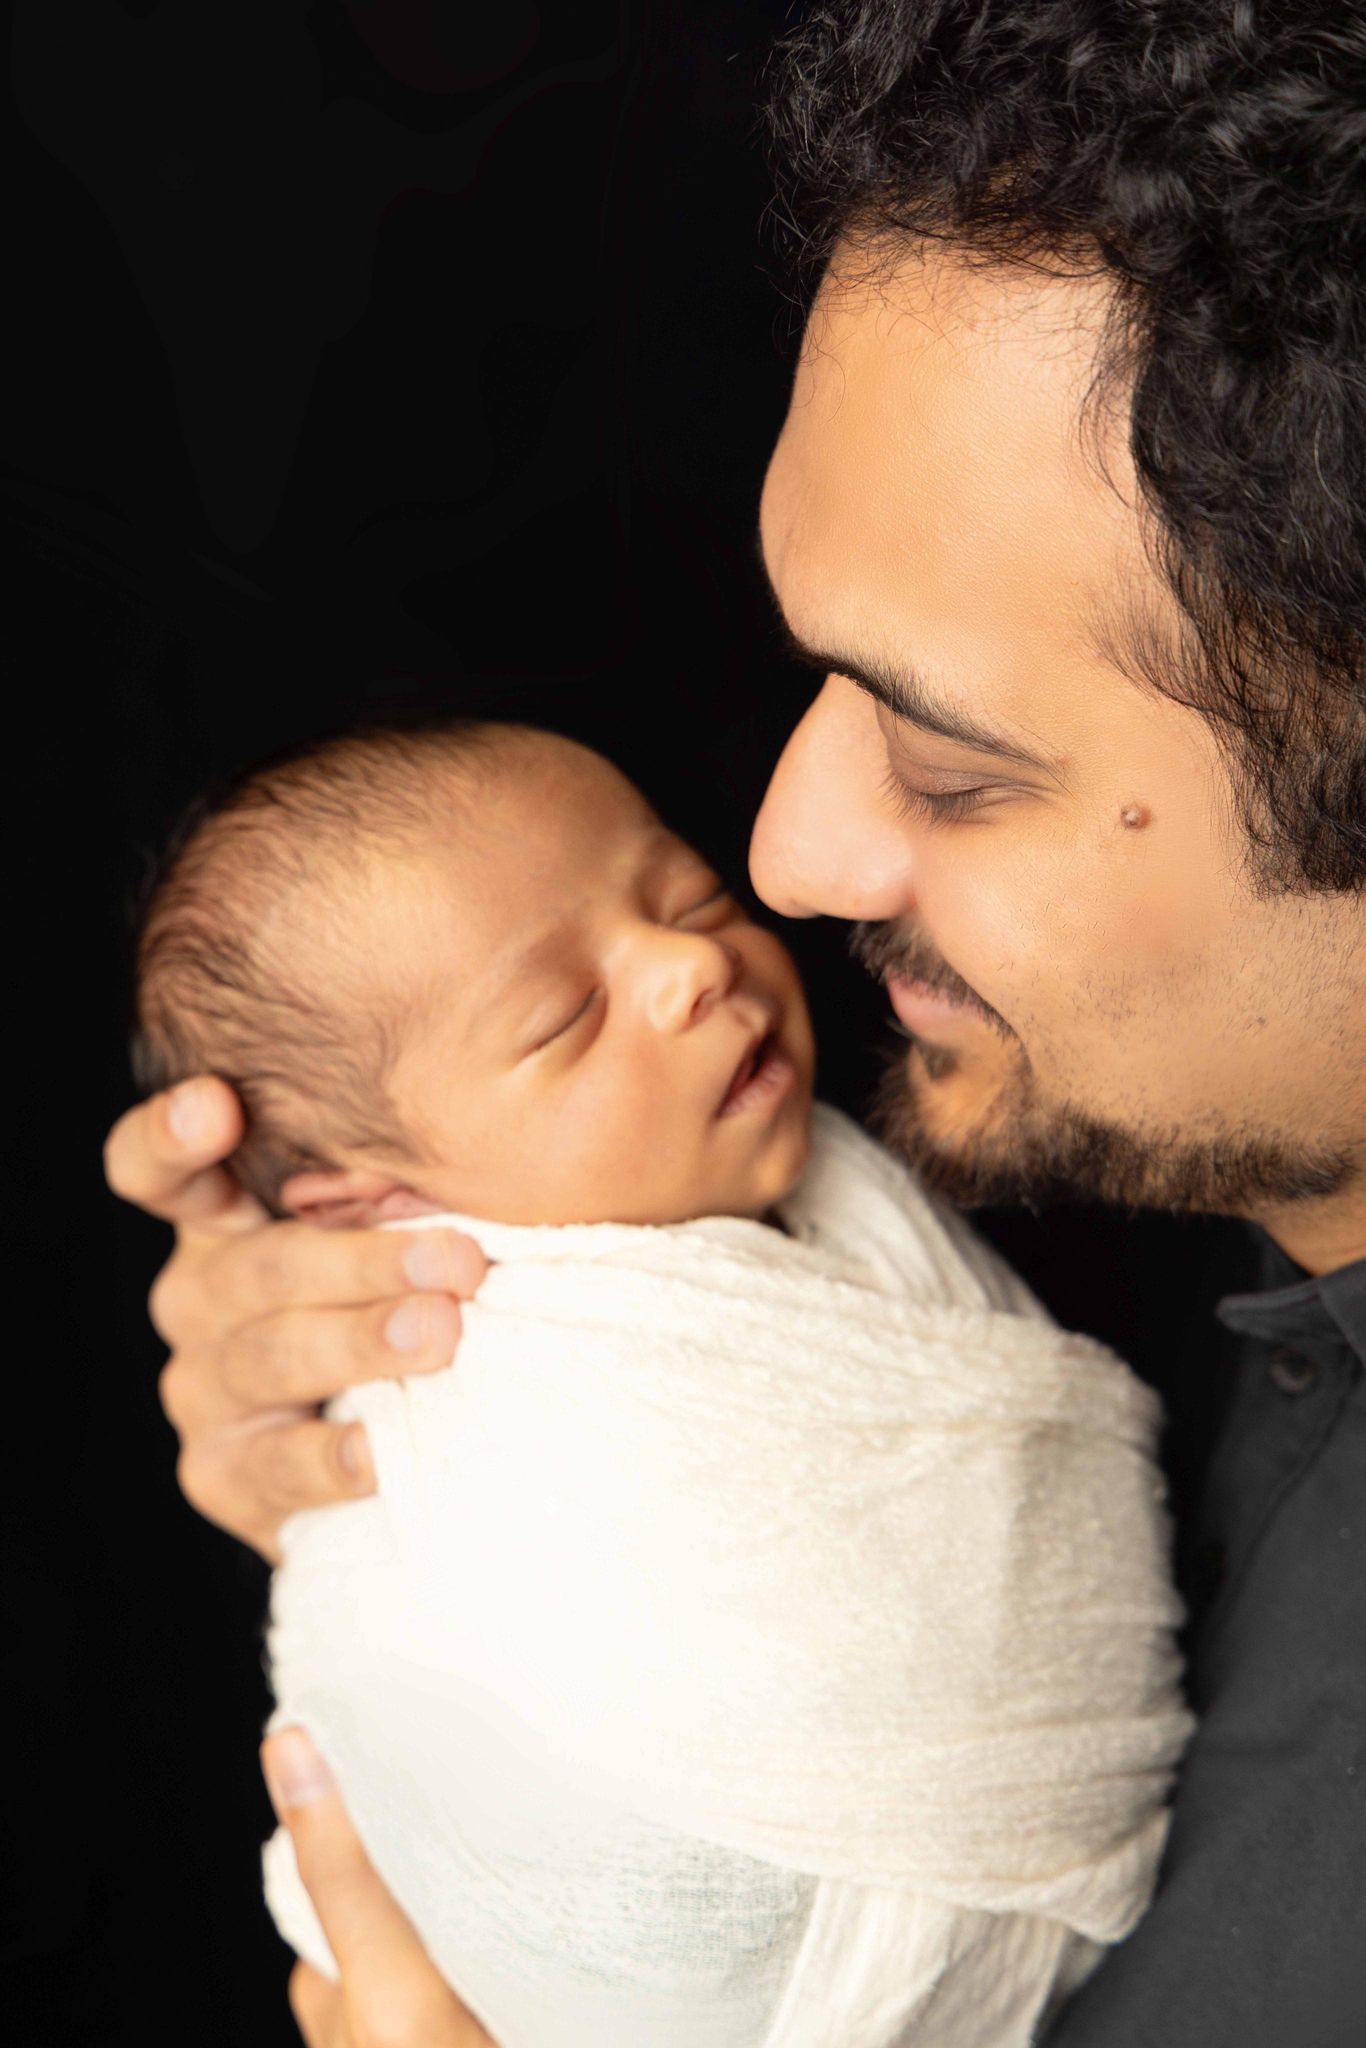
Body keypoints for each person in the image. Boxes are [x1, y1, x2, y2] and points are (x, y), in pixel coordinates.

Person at [105, 4, 1365, 2042]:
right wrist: (492, 1477)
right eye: (821, 691)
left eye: (950, 769)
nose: (779, 852)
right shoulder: (1166, 1218)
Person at [131, 717, 1187, 2047]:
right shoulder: (481, 1349)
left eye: (685, 897)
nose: (693, 964)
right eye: (566, 1020)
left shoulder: (844, 1195)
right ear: (378, 1201)